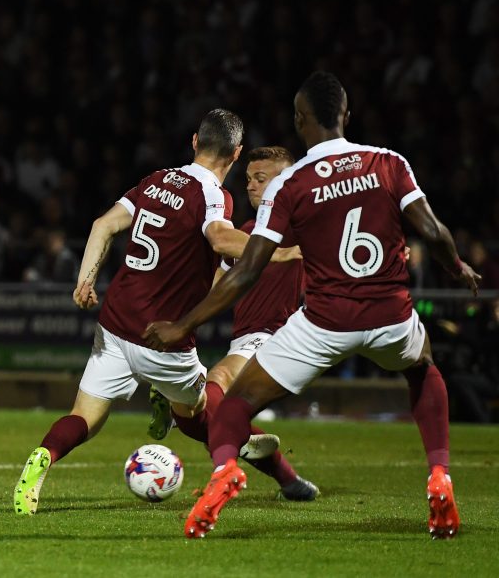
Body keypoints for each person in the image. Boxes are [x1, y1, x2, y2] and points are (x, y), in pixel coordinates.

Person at [144, 72, 481, 540]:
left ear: (300, 120)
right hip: (391, 313)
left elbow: (245, 272)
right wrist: (457, 267)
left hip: (324, 322)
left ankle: (225, 471)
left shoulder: (292, 184)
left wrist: (182, 325)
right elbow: (435, 231)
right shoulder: (388, 162)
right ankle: (440, 475)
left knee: (234, 405)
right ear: (346, 116)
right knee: (423, 370)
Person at [13, 109, 301, 515]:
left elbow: (102, 224)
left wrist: (85, 280)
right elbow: (220, 239)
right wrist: (283, 251)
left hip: (114, 324)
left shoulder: (156, 180)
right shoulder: (215, 195)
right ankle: (236, 442)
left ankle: (42, 458)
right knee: (200, 411)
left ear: (195, 142)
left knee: (84, 418)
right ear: (236, 155)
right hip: (162, 337)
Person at [146, 145, 318, 502]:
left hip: (280, 336)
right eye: (249, 179)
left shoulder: (305, 227)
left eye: (261, 178)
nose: (251, 186)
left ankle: (224, 474)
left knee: (218, 381)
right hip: (246, 339)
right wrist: (179, 321)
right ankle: (288, 480)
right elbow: (218, 286)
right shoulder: (248, 231)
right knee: (197, 419)